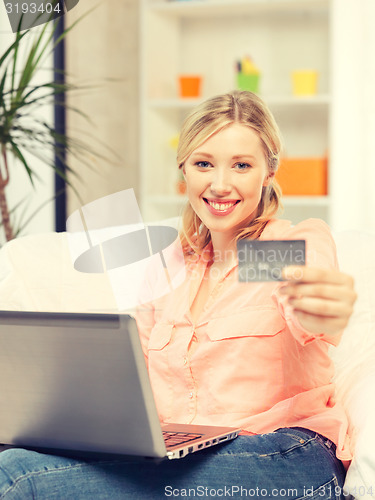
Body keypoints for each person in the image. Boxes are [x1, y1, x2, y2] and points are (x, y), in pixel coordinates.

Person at [0, 91, 356, 499]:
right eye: (204, 164)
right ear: (184, 170)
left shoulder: (277, 247)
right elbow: (136, 380)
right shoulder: (168, 265)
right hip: (186, 454)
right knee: (14, 459)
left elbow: (303, 286)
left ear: (268, 171)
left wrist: (317, 302)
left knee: (22, 480)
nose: (220, 184)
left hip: (287, 453)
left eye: (242, 165)